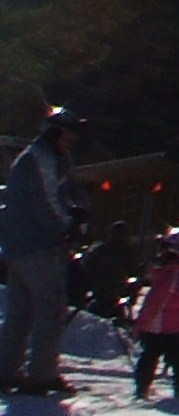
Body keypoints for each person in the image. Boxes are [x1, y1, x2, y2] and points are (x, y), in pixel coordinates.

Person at [0, 107, 81, 399]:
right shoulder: (42, 159)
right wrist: (69, 223)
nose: (72, 138)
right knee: (50, 310)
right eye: (69, 132)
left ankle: (6, 371)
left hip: (18, 247)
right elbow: (46, 203)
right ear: (55, 132)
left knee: (20, 312)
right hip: (38, 247)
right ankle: (42, 375)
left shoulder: (35, 158)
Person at [125, 227, 179, 404]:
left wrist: (141, 323)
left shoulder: (168, 275)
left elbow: (154, 302)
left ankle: (142, 387)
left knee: (149, 356)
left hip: (159, 324)